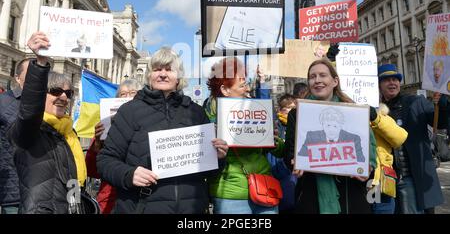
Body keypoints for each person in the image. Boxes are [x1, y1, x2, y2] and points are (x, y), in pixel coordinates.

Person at [97, 47, 228, 214]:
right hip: (141, 207)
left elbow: (209, 171)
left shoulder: (196, 112)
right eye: (157, 69)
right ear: (149, 75)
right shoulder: (129, 111)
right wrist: (129, 175)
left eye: (169, 69)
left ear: (178, 77)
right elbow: (105, 160)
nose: (163, 74)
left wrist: (218, 157)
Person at [284, 59, 378, 214]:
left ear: (335, 81)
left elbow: (369, 148)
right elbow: (290, 152)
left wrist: (369, 167)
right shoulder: (297, 113)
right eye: (312, 76)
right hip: (312, 195)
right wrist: (294, 162)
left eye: (322, 75)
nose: (317, 80)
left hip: (352, 194)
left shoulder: (355, 111)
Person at [9, 32, 87, 214]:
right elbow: (29, 112)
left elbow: (73, 180)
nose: (63, 97)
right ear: (40, 95)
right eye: (55, 91)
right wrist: (40, 63)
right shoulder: (29, 130)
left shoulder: (68, 132)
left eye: (68, 93)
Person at [204, 57, 283, 214]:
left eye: (246, 82)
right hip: (230, 195)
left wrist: (274, 140)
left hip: (264, 188)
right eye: (241, 84)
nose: (246, 87)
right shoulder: (209, 119)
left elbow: (280, 152)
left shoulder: (258, 112)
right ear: (225, 90)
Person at [378, 63, 444, 213]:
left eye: (395, 79)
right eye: (387, 80)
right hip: (386, 180)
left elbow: (439, 122)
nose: (392, 83)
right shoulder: (375, 109)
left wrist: (443, 103)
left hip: (412, 177)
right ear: (379, 84)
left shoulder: (416, 102)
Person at [85, 79, 142, 214]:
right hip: (109, 201)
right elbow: (91, 171)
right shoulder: (104, 128)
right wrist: (97, 144)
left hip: (137, 199)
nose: (128, 97)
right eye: (123, 94)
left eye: (132, 93)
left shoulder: (147, 127)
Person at [0, 58, 31, 214]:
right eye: (31, 72)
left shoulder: (49, 104)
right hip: (12, 192)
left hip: (41, 191)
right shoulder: (3, 102)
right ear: (18, 78)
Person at [369, 103, 408, 214]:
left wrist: (375, 118)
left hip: (380, 183)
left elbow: (400, 137)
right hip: (356, 182)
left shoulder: (382, 116)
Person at [298, 107, 365, 162]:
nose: (331, 130)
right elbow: (301, 158)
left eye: (335, 126)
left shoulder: (353, 139)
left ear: (341, 126)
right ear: (322, 125)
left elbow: (361, 161)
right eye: (328, 125)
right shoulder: (312, 136)